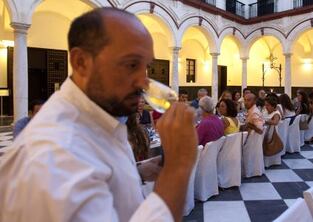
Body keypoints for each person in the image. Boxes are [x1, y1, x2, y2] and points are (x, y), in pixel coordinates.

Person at [0, 8, 198, 222]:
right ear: (81, 62)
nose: (144, 82)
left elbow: (96, 170)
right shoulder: (55, 158)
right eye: (131, 65)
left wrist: (136, 172)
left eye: (145, 67)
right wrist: (178, 166)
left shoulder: (100, 116)